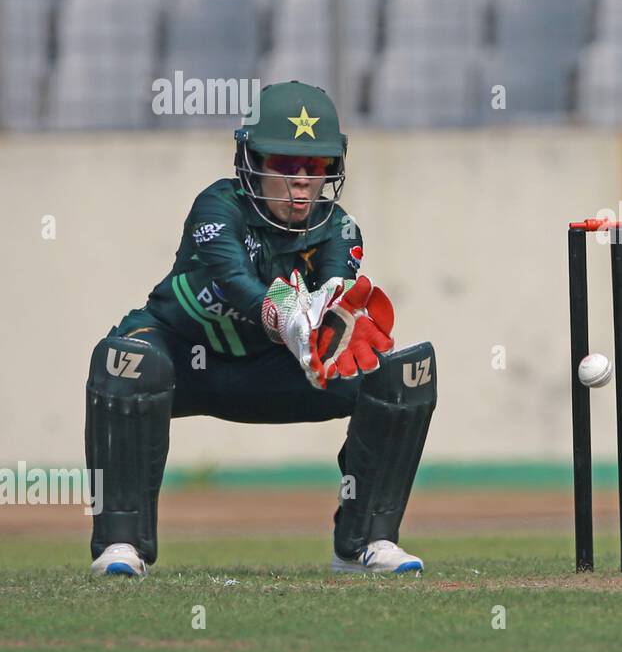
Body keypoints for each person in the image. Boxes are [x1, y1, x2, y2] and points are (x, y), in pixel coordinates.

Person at [86, 81, 436, 577]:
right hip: (183, 357)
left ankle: (364, 543)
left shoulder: (339, 229)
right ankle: (121, 547)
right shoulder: (217, 205)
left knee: (402, 377)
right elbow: (235, 283)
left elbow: (337, 296)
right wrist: (290, 318)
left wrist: (323, 335)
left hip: (278, 371)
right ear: (251, 159)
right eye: (284, 164)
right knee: (124, 363)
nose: (300, 182)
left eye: (313, 168)